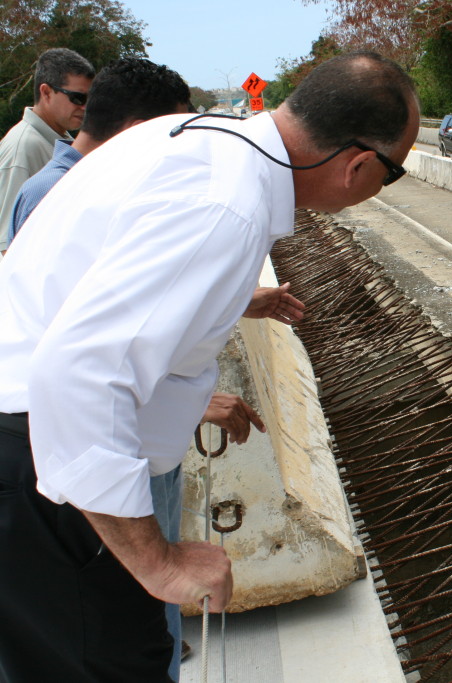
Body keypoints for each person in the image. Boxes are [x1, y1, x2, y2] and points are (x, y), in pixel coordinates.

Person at [0, 50, 418, 681]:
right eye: (392, 173)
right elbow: (78, 373)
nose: (380, 186)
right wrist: (157, 562)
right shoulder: (225, 206)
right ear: (359, 164)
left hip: (35, 456)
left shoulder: (204, 140)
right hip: (44, 470)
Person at [3, 56, 283, 681]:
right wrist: (158, 564)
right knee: (103, 641)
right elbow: (72, 354)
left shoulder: (97, 178)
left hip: (76, 447)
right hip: (58, 455)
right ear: (141, 128)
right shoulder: (59, 187)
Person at [0, 48, 94, 255]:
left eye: (90, 99)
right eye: (78, 98)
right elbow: (8, 245)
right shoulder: (23, 147)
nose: (85, 107)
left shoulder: (63, 140)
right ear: (46, 92)